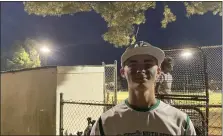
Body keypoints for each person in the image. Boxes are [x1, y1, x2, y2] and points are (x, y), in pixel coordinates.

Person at [90, 41, 196, 136]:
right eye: (133, 64)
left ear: (159, 72)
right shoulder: (105, 123)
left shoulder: (181, 122)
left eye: (148, 64)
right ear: (123, 72)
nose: (140, 70)